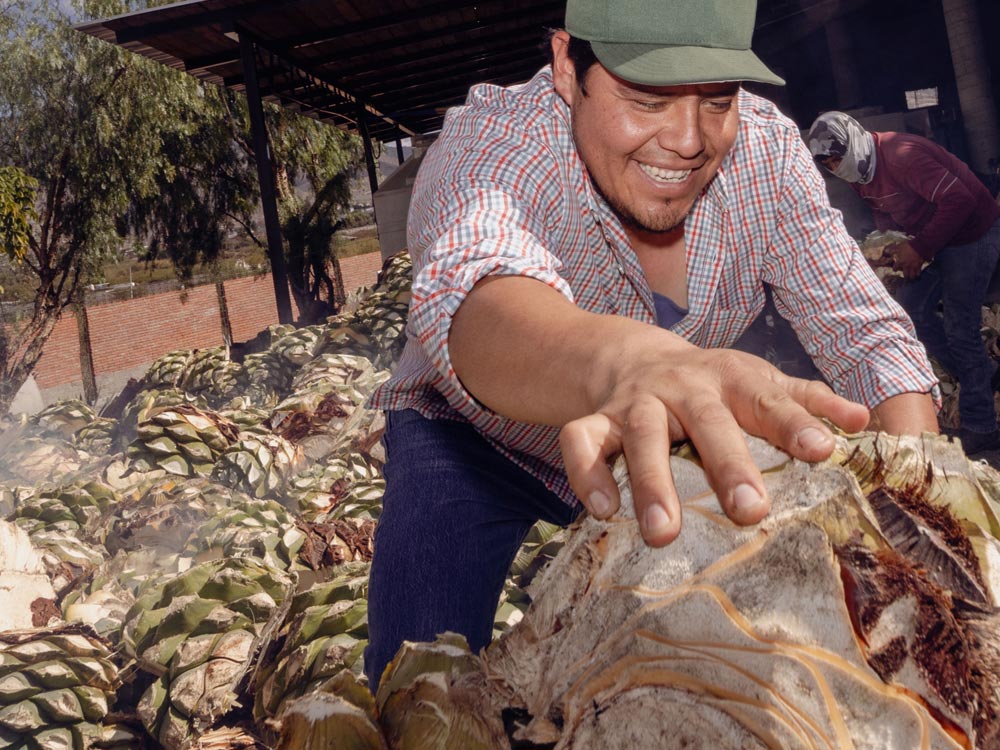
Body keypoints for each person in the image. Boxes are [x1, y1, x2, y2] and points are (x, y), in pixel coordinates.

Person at [363, 0, 939, 689]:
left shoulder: (766, 151)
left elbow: (865, 332)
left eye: (717, 99)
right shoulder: (495, 142)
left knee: (698, 686)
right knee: (421, 683)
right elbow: (478, 291)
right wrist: (637, 363)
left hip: (655, 453)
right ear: (564, 65)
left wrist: (921, 501)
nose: (688, 140)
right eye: (645, 98)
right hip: (473, 443)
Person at [807, 112, 1000, 455]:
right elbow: (884, 211)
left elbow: (961, 201)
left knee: (960, 326)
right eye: (830, 164)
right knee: (911, 312)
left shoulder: (901, 155)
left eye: (839, 157)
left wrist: (919, 248)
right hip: (932, 237)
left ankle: (981, 425)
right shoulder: (859, 170)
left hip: (972, 233)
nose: (838, 168)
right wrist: (887, 246)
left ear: (854, 139)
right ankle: (981, 375)